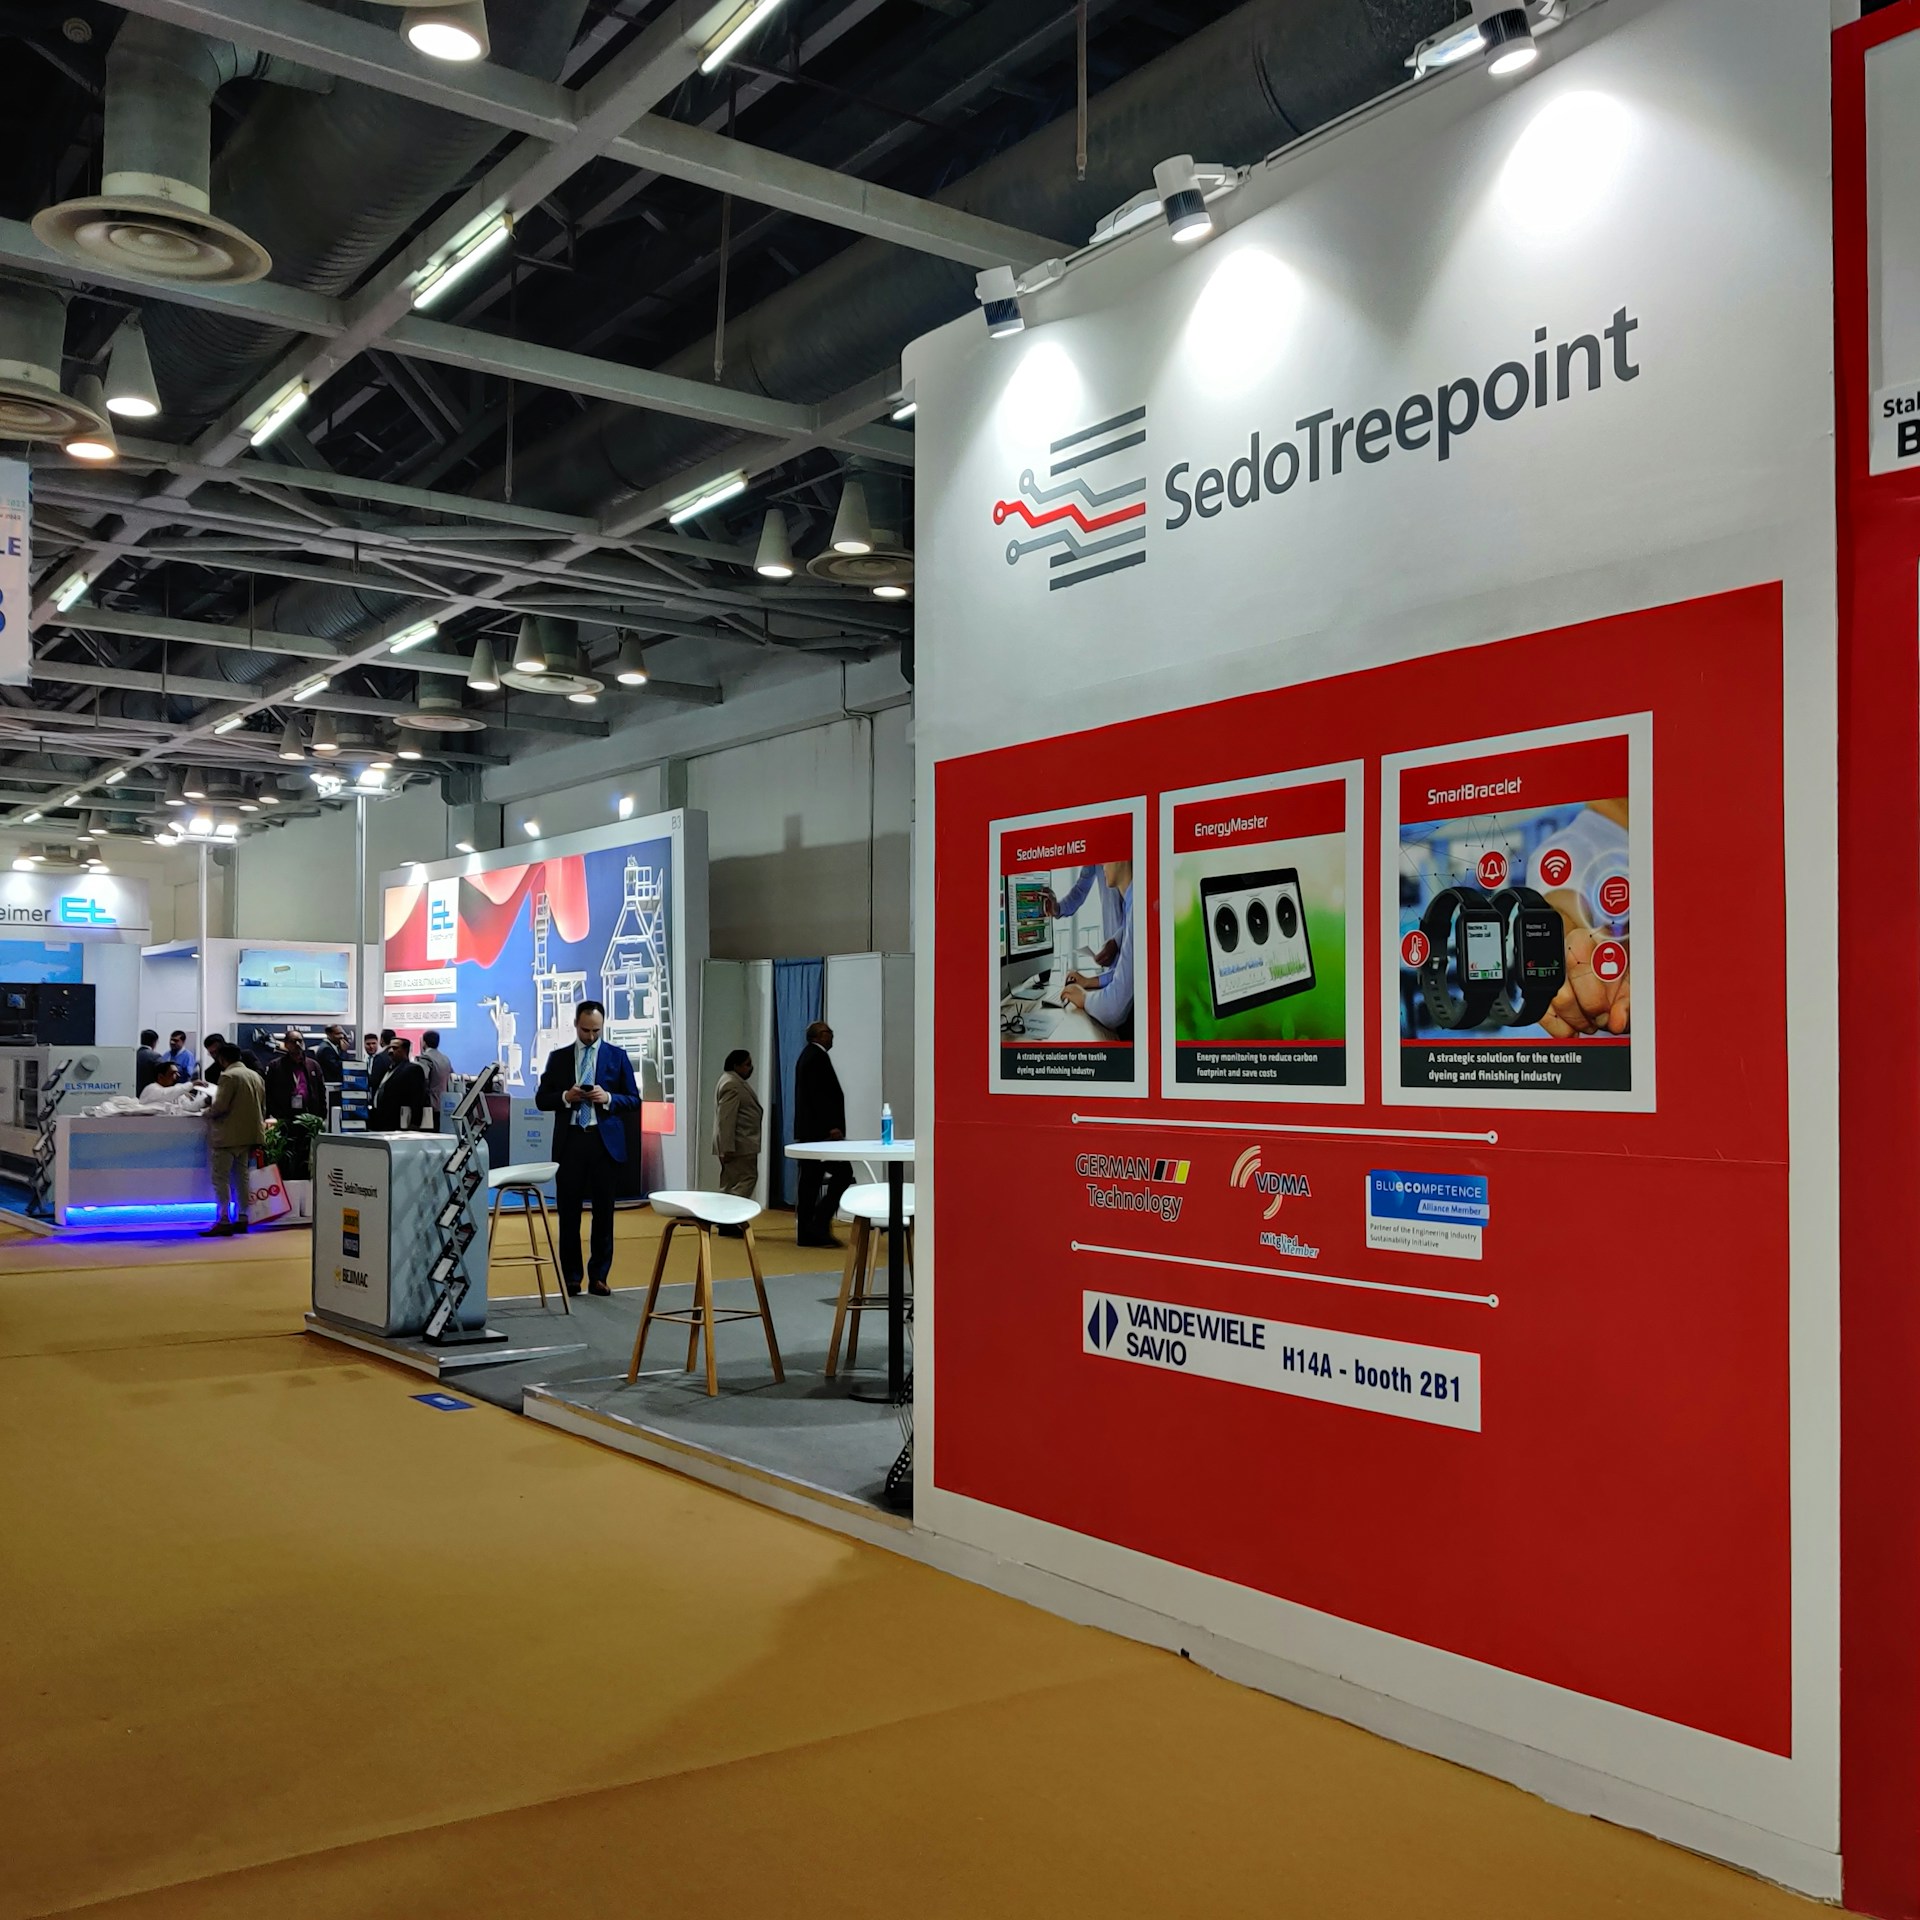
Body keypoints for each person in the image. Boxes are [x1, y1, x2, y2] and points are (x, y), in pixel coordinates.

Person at [534, 1000, 639, 1297]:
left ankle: (599, 1276)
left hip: (604, 1144)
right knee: (569, 1214)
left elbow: (633, 1100)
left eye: (596, 1030)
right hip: (571, 1143)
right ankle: (571, 1277)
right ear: (575, 1025)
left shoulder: (617, 1057)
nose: (590, 1036)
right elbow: (542, 1099)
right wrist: (566, 1097)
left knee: (604, 1214)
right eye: (585, 1030)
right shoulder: (559, 1058)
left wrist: (608, 1098)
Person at [1060, 858, 1136, 1038]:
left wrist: (1084, 998)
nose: (1100, 866)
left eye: (1103, 859)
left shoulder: (1137, 909)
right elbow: (1124, 973)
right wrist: (1088, 982)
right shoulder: (1131, 903)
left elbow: (1114, 1008)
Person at [792, 1020, 851, 1247]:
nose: (832, 1036)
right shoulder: (816, 1058)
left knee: (810, 1181)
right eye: (829, 1032)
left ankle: (809, 1231)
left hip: (812, 1132)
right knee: (843, 1174)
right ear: (818, 1036)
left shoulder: (808, 1056)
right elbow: (819, 1096)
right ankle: (817, 1223)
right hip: (820, 1134)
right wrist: (831, 1126)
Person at [201, 1042, 265, 1237]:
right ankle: (243, 1217)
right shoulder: (256, 1076)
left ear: (222, 1059)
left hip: (227, 1136)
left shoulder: (228, 1076)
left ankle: (223, 1220)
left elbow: (220, 1106)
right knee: (242, 1178)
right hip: (248, 1135)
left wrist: (206, 1112)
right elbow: (262, 1106)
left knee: (221, 1178)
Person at [712, 1048, 762, 1233]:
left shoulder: (730, 1081)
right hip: (740, 1144)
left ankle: (724, 1219)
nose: (751, 1068)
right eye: (747, 1064)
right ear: (736, 1065)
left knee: (730, 1183)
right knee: (746, 1179)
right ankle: (730, 1220)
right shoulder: (732, 1084)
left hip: (737, 1143)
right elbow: (726, 1118)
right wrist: (727, 1147)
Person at [264, 1029, 327, 1125]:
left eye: (300, 1041)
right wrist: (275, 1114)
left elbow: (321, 1091)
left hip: (310, 1118)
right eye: (293, 1041)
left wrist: (321, 1116)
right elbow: (269, 1092)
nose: (297, 1044)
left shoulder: (313, 1065)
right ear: (285, 1045)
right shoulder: (276, 1066)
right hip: (285, 1118)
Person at [370, 1035, 431, 1131]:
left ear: (405, 1050)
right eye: (389, 1048)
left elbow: (417, 1098)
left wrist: (414, 1123)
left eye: (395, 1048)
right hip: (383, 1122)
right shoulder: (390, 1069)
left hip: (400, 1123)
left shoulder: (413, 1069)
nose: (390, 1051)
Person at [417, 1029, 454, 1129]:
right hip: (444, 1104)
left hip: (429, 1106)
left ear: (424, 1042)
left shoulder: (425, 1058)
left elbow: (421, 1079)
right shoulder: (445, 1059)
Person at [366, 1028, 398, 1103]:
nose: (371, 1046)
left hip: (380, 1097)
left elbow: (374, 1081)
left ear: (381, 1040)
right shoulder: (397, 1055)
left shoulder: (380, 1057)